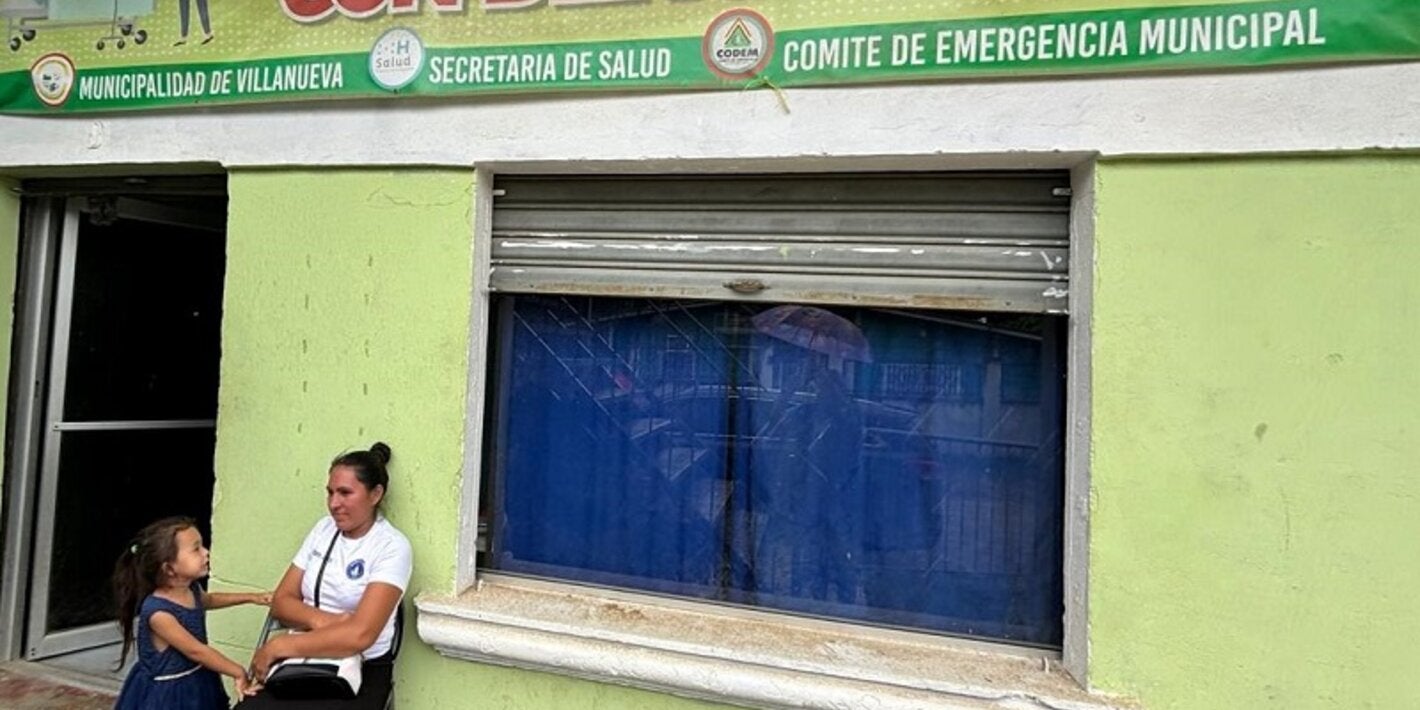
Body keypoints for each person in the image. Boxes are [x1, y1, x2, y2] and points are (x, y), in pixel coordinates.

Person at [239, 442, 412, 709]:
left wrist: (276, 647)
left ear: (375, 494)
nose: (334, 504)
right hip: (302, 657)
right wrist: (326, 621)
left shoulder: (392, 546)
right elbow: (282, 600)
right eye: (330, 492)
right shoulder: (323, 530)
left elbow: (360, 636)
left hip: (362, 667)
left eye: (345, 493)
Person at [112, 516, 271, 709]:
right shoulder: (159, 613)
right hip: (170, 693)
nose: (206, 553)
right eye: (196, 549)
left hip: (197, 679)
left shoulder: (191, 589)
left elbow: (210, 600)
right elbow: (196, 651)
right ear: (169, 568)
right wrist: (237, 671)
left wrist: (253, 598)